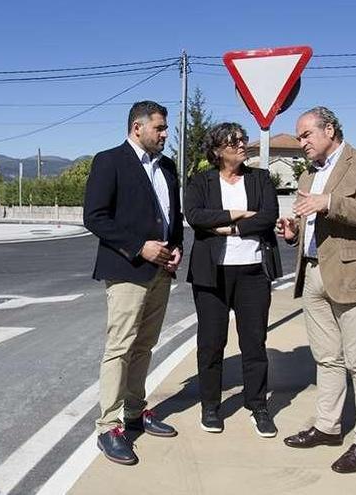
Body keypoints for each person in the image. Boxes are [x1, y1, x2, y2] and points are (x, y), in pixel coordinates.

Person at [278, 106, 356, 473]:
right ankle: (328, 426)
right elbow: (307, 223)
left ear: (329, 130)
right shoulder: (308, 174)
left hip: (353, 276)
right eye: (299, 138)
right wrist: (294, 233)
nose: (301, 144)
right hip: (313, 273)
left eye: (306, 135)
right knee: (327, 358)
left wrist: (329, 203)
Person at [83, 100, 184, 466]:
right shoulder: (109, 161)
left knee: (145, 345)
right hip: (127, 269)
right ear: (137, 127)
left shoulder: (168, 166)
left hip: (161, 270)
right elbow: (94, 217)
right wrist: (139, 246)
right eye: (159, 128)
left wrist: (177, 248)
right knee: (120, 347)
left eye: (165, 127)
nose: (165, 134)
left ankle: (135, 412)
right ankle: (109, 427)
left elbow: (174, 215)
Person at [184, 122, 282, 438]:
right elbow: (195, 216)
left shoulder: (260, 179)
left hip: (253, 272)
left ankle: (259, 407)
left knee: (254, 343)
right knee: (211, 344)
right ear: (216, 150)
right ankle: (210, 407)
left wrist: (231, 227)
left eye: (243, 139)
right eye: (233, 141)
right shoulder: (200, 181)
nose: (242, 144)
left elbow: (268, 216)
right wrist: (239, 214)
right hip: (212, 273)